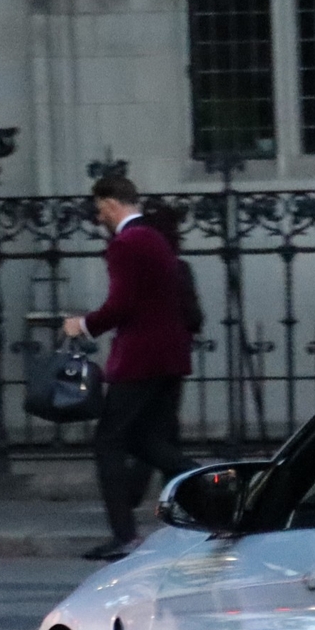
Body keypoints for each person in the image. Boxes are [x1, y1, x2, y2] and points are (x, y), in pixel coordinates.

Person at [64, 173, 194, 560]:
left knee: (108, 440)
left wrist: (82, 324)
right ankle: (203, 482)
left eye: (99, 209)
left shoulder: (126, 244)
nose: (98, 217)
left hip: (140, 358)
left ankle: (125, 534)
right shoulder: (155, 238)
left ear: (109, 204)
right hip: (169, 355)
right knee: (149, 441)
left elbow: (122, 305)